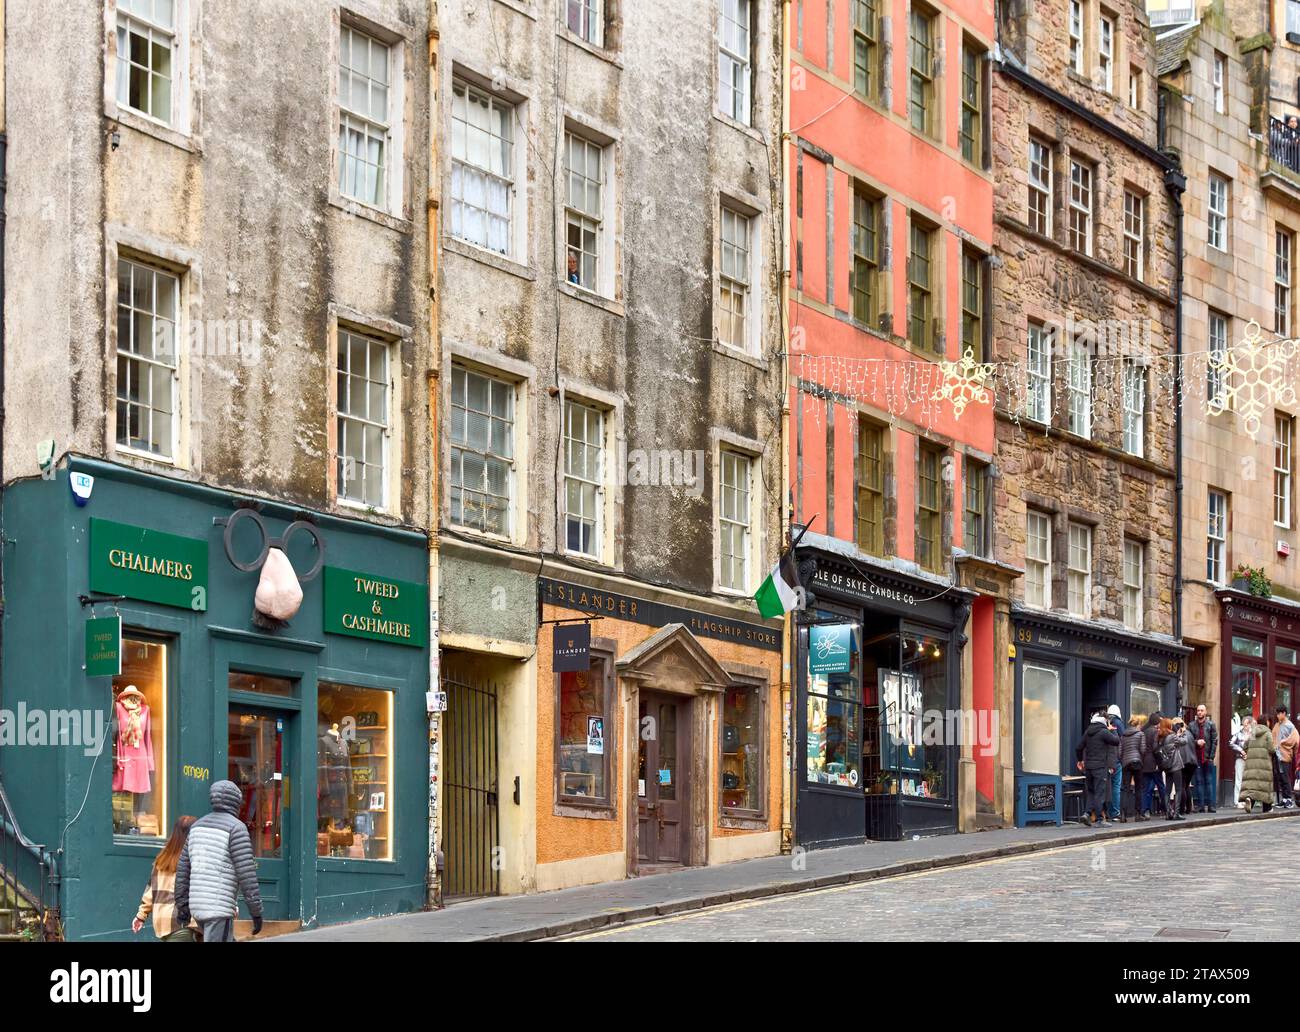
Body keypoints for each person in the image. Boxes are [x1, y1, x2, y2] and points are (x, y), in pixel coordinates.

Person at [174, 780, 263, 943]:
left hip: (197, 906)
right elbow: (246, 874)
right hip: (218, 909)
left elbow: (183, 871)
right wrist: (256, 912)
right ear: (236, 802)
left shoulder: (197, 827)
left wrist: (183, 907)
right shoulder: (236, 828)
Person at [132, 816, 200, 941]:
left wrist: (141, 916)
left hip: (162, 923)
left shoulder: (161, 860)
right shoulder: (192, 861)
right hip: (182, 924)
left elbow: (149, 893)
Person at [1075, 711, 1119, 826]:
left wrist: (1080, 761)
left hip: (1088, 767)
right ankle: (1100, 819)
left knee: (1091, 792)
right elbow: (1116, 741)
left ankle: (1086, 813)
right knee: (1099, 792)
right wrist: (1113, 729)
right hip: (1100, 767)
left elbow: (1078, 747)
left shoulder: (1088, 732)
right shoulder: (1104, 732)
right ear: (1105, 721)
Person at [1241, 716, 1276, 813]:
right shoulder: (1268, 733)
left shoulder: (1252, 733)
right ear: (1266, 722)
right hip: (1264, 763)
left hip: (1251, 763)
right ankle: (1267, 807)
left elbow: (1245, 746)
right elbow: (1271, 749)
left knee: (1253, 784)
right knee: (1264, 785)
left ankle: (1250, 800)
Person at [1187, 703, 1218, 813]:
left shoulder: (1211, 725)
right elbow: (1188, 740)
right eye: (1198, 710)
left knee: (1209, 781)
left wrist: (1211, 757)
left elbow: (1215, 741)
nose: (1199, 712)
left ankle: (1211, 806)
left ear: (1205, 712)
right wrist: (1197, 742)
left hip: (1207, 758)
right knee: (1199, 782)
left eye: (1202, 710)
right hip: (1196, 758)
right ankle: (1200, 806)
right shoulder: (1191, 725)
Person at [1140, 711, 1169, 818]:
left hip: (1145, 764)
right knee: (1161, 787)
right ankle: (1166, 808)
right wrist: (1159, 762)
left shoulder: (1143, 732)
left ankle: (1145, 811)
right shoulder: (1155, 732)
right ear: (1156, 722)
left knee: (1146, 789)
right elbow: (1156, 749)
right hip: (1154, 764)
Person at [1156, 717, 1185, 820]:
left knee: (1167, 790)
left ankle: (1168, 812)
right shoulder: (1172, 736)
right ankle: (1176, 813)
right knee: (1178, 789)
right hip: (1176, 765)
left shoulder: (1160, 738)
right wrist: (1181, 732)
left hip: (1167, 766)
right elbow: (1184, 741)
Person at [1119, 715, 1147, 822]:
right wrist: (1139, 758)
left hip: (1126, 763)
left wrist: (1123, 761)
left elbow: (1119, 753)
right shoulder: (1140, 734)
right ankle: (1138, 814)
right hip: (1137, 762)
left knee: (1125, 789)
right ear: (1138, 724)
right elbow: (1143, 750)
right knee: (1138, 788)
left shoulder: (1123, 735)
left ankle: (1123, 815)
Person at [1273, 707, 1298, 809]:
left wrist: (1284, 742)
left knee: (1285, 777)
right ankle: (1284, 799)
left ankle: (1289, 800)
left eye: (1279, 714)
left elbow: (1296, 739)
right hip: (1277, 754)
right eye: (1277, 714)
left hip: (1284, 755)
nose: (1278, 716)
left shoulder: (1289, 725)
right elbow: (1273, 736)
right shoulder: (1277, 725)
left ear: (1284, 713)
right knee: (1280, 777)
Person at [1175, 716, 1199, 816]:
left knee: (1182, 786)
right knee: (1186, 785)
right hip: (1192, 762)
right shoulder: (1189, 733)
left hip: (1184, 762)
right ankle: (1189, 808)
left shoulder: (1180, 734)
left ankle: (1181, 809)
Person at [1105, 705, 1124, 821]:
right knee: (1116, 787)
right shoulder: (1118, 723)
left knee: (1107, 787)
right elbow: (1122, 740)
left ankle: (1106, 811)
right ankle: (1115, 812)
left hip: (1105, 760)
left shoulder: (1105, 722)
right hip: (1116, 760)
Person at [1230, 717, 1253, 808]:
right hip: (1240, 759)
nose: (1245, 726)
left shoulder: (1253, 734)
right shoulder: (1238, 733)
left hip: (1250, 759)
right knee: (1239, 780)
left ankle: (1248, 800)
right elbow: (1231, 743)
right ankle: (1237, 801)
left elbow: (1256, 746)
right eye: (1244, 724)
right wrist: (1241, 751)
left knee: (1248, 781)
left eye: (1247, 724)